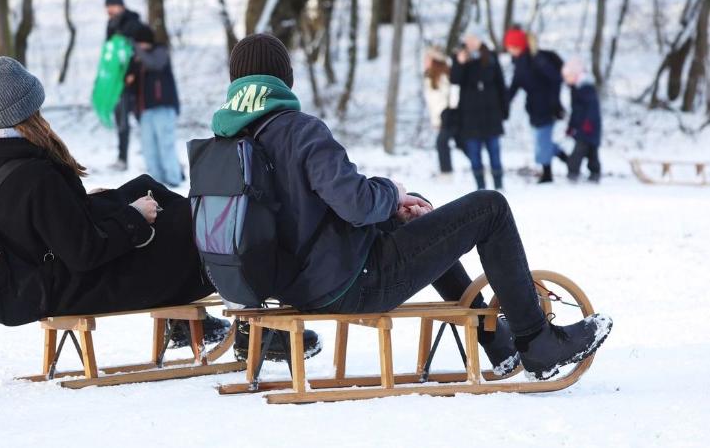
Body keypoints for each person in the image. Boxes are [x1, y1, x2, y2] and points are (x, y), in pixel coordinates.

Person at [212, 34, 613, 379]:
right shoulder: (300, 131)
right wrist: (391, 189)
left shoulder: (228, 143)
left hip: (296, 286)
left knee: (412, 215)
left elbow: (303, 212)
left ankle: (496, 341)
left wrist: (394, 207)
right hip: (351, 285)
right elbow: (355, 203)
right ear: (286, 78)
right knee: (490, 208)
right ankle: (537, 341)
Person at [0, 57, 324, 358]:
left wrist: (93, 204)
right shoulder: (35, 175)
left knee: (146, 186)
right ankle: (254, 330)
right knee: (194, 227)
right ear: (26, 112)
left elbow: (34, 227)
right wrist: (133, 218)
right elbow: (84, 253)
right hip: (71, 287)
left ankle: (186, 322)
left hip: (41, 278)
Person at [504, 27, 568, 184]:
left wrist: (555, 103)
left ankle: (547, 174)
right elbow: (515, 85)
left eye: (510, 46)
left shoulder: (537, 59)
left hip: (547, 107)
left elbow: (556, 79)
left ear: (517, 46)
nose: (508, 49)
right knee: (542, 141)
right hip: (534, 108)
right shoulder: (520, 63)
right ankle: (570, 159)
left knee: (542, 141)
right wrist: (503, 102)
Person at [127, 25, 184, 187]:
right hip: (145, 111)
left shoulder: (160, 51)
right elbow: (131, 83)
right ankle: (157, 184)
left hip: (163, 107)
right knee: (149, 149)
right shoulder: (137, 58)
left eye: (139, 43)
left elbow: (155, 64)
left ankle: (173, 180)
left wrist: (137, 50)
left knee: (166, 145)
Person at [450, 32, 508, 190]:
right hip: (469, 115)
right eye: (468, 39)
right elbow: (454, 80)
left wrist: (504, 109)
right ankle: (480, 188)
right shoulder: (459, 57)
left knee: (494, 152)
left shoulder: (490, 56)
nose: (470, 42)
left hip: (491, 113)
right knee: (474, 154)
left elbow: (500, 84)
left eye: (473, 39)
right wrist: (460, 63)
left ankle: (499, 185)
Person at [105, 0, 141, 172]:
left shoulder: (133, 23)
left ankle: (154, 155)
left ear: (119, 6)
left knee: (137, 119)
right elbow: (109, 52)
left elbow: (136, 51)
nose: (108, 10)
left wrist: (131, 73)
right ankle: (122, 158)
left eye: (110, 6)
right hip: (114, 82)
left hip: (131, 82)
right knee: (121, 119)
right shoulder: (111, 24)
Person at [562, 58, 602, 183]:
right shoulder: (575, 88)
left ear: (575, 75)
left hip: (590, 126)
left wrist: (589, 123)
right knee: (589, 150)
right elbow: (576, 111)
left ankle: (574, 172)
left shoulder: (586, 88)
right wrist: (571, 126)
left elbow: (592, 108)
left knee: (585, 150)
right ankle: (593, 172)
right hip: (581, 126)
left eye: (567, 76)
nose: (565, 79)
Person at [423, 47, 457, 176]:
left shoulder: (443, 76)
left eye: (427, 59)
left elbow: (451, 95)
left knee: (442, 143)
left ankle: (446, 173)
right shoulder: (429, 77)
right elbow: (433, 103)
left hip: (448, 115)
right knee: (457, 142)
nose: (425, 62)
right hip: (440, 116)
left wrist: (449, 112)